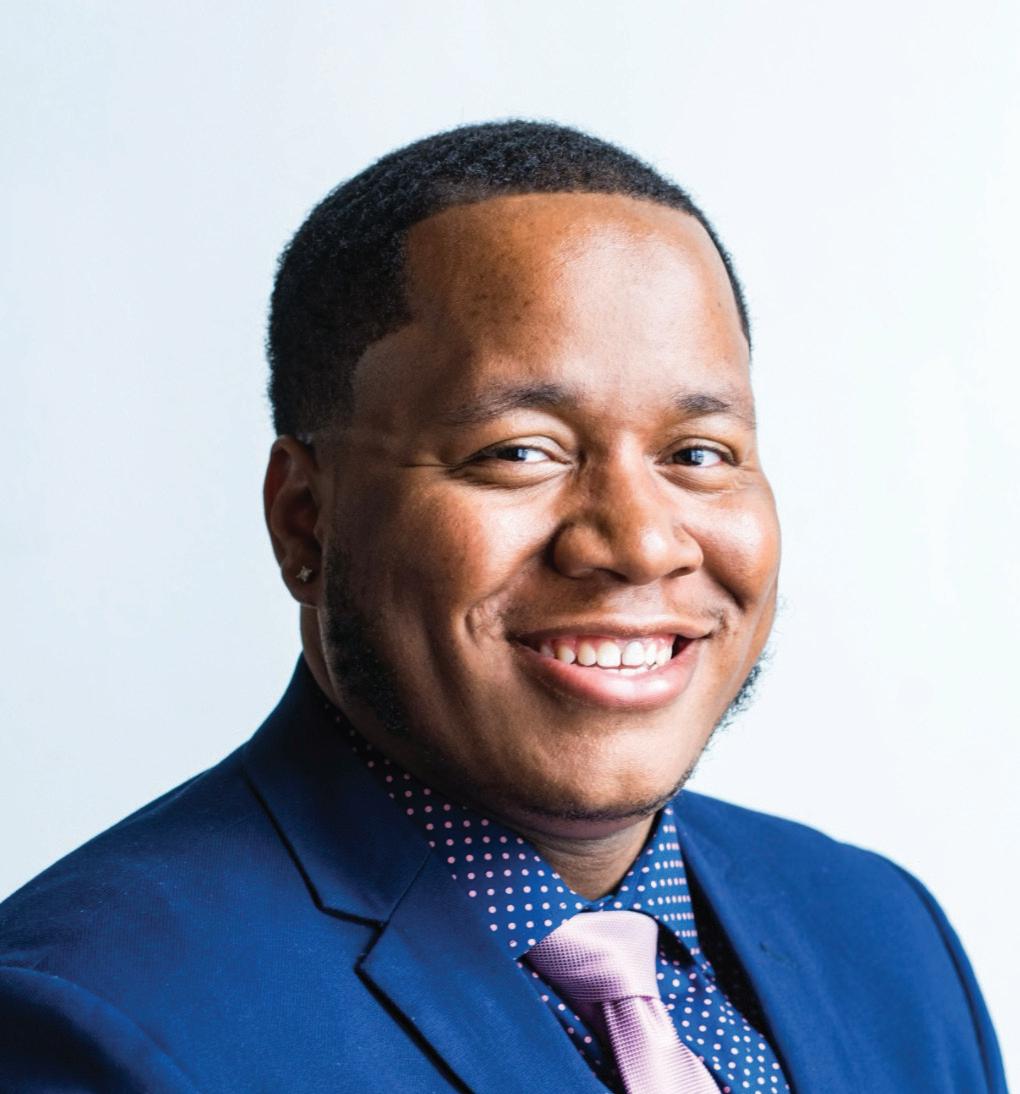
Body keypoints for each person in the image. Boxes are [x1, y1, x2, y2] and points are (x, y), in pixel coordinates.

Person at [0, 121, 1005, 1093]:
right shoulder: (98, 1023)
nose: (639, 542)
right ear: (306, 520)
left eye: (697, 453)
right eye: (519, 451)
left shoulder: (887, 941)